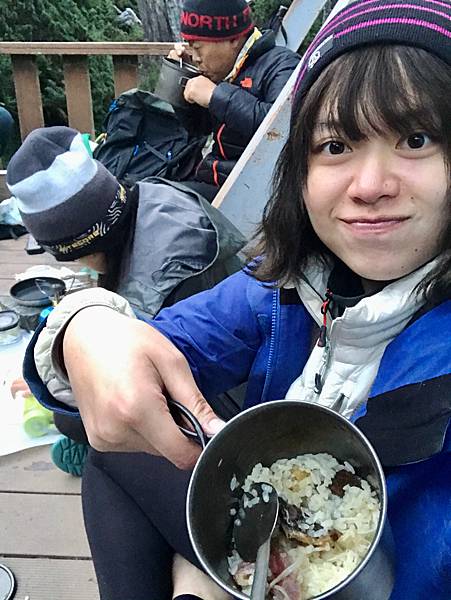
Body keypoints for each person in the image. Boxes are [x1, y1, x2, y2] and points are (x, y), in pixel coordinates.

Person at [23, 1, 451, 598]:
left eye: (416, 138)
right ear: (298, 169)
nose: (370, 185)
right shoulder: (285, 285)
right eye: (335, 145)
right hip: (273, 534)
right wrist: (83, 329)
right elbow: (149, 357)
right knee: (111, 449)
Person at [7, 125, 246, 475]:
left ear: (78, 249)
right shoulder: (154, 197)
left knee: (70, 421)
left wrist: (63, 390)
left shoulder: (158, 287)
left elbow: (135, 389)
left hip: (227, 408)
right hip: (233, 360)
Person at [167, 0, 300, 201]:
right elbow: (199, 129)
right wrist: (181, 77)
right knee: (144, 194)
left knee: (155, 200)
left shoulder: (283, 65)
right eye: (190, 47)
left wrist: (215, 96)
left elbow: (281, 130)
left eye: (198, 47)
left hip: (250, 193)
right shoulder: (227, 70)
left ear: (233, 40)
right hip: (213, 180)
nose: (195, 57)